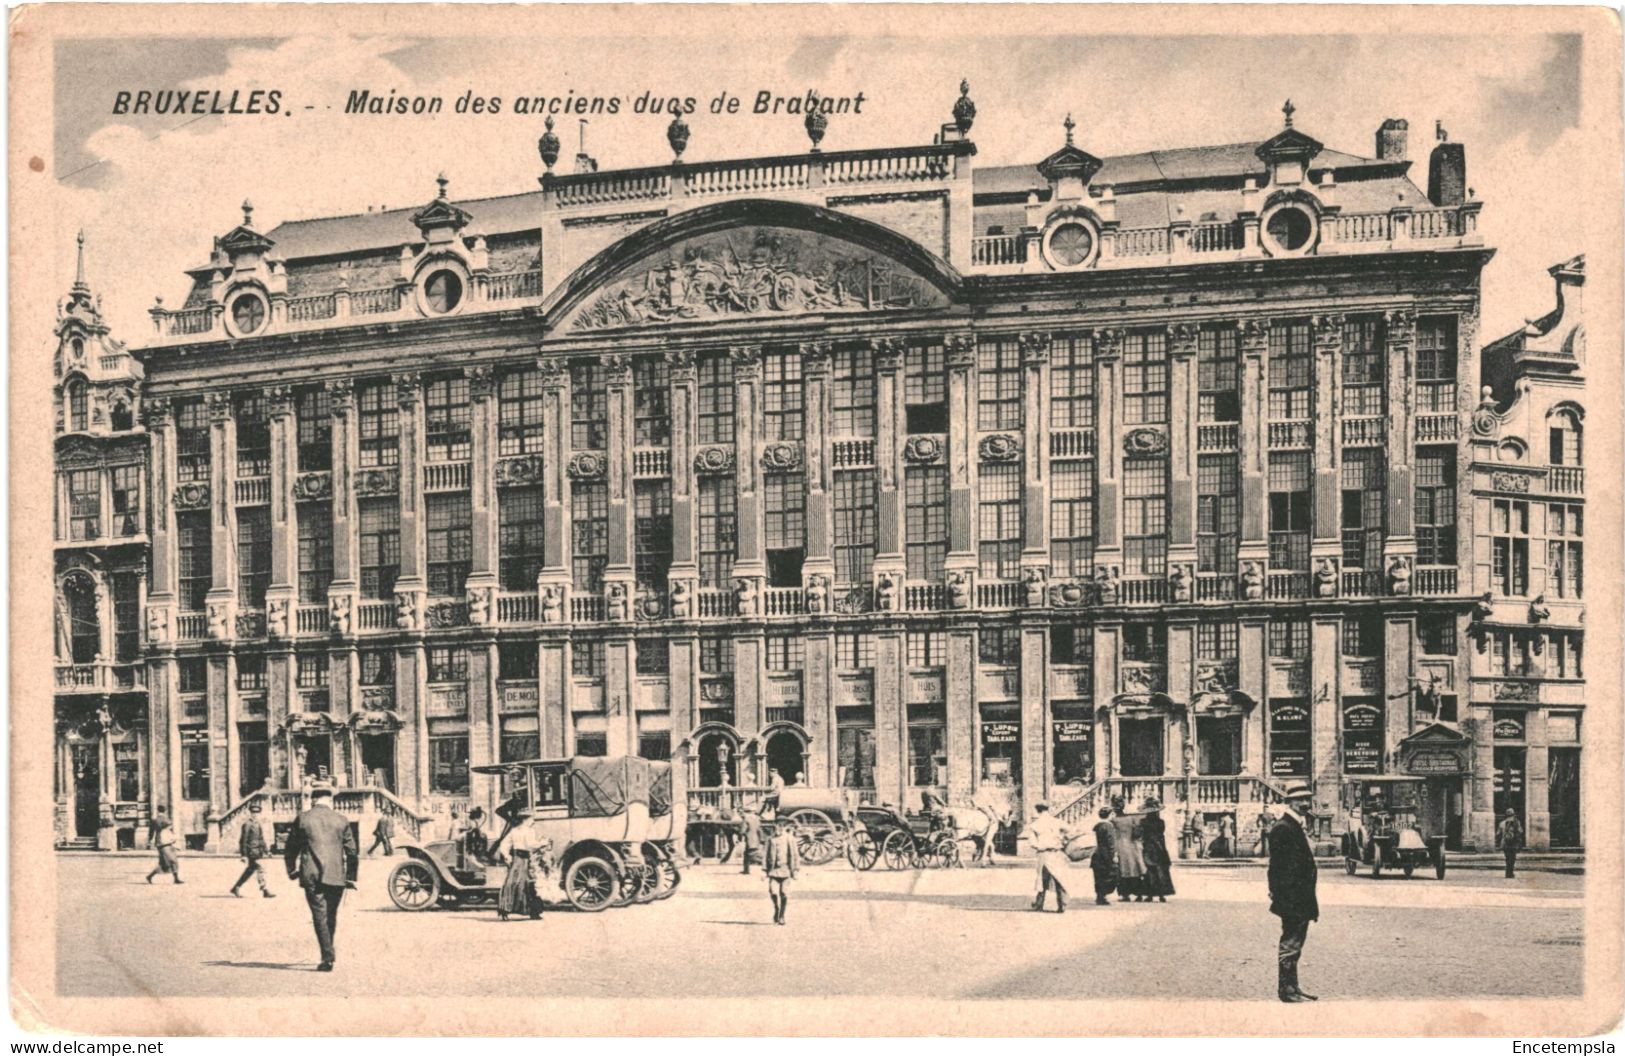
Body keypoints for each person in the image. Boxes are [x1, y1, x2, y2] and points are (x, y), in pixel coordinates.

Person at [283, 785, 359, 972]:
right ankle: (328, 953)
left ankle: (327, 957)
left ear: (312, 799)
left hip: (312, 874)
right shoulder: (341, 820)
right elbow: (352, 852)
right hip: (336, 875)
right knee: (331, 915)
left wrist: (292, 870)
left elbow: (291, 848)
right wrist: (350, 877)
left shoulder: (303, 818)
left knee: (319, 915)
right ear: (330, 800)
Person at [1267, 783, 1320, 1003]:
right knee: (1290, 944)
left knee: (1295, 943)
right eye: (1300, 800)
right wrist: (1282, 895)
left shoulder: (1294, 825)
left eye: (1307, 799)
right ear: (1289, 802)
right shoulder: (1284, 827)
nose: (1306, 804)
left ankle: (1293, 987)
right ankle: (1286, 990)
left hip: (1299, 896)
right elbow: (1278, 868)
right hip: (1293, 898)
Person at [498, 818, 550, 921]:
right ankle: (533, 912)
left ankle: (505, 910)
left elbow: (503, 845)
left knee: (512, 883)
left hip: (516, 859)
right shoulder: (529, 831)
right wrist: (543, 842)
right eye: (531, 819)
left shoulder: (513, 830)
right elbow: (530, 844)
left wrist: (507, 855)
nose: (533, 821)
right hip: (525, 860)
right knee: (530, 885)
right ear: (525, 820)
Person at [1024, 800, 1071, 913]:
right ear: (1048, 809)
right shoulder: (1057, 821)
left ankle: (1039, 904)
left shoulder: (1035, 825)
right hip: (1056, 853)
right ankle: (1062, 905)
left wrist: (1040, 846)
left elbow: (1032, 843)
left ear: (1037, 810)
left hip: (1044, 854)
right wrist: (1062, 840)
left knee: (1042, 880)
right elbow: (1070, 832)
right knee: (1060, 878)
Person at [230, 800, 275, 898]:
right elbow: (243, 840)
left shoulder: (258, 824)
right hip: (251, 852)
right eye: (253, 812)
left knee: (249, 871)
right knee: (261, 868)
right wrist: (244, 855)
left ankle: (236, 887)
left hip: (258, 851)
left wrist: (267, 851)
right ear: (250, 813)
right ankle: (265, 890)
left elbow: (261, 839)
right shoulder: (247, 824)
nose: (255, 814)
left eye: (257, 813)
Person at [763, 821, 799, 924]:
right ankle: (776, 909)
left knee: (784, 893)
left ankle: (782, 915)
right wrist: (764, 870)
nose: (778, 829)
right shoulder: (770, 839)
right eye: (777, 826)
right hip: (773, 871)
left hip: (786, 870)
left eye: (781, 827)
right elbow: (765, 855)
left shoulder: (790, 839)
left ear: (784, 827)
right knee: (773, 892)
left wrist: (795, 870)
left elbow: (795, 855)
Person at [1139, 799, 1175, 903]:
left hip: (1148, 846)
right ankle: (1161, 894)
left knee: (1149, 870)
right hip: (1159, 847)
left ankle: (1150, 894)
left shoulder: (1143, 822)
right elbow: (1161, 833)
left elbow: (1141, 834)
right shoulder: (1161, 822)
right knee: (1161, 870)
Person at [1110, 796, 1145, 902]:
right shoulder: (1131, 819)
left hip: (1120, 845)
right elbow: (1138, 832)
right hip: (1132, 845)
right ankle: (1139, 894)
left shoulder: (1114, 820)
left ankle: (1125, 894)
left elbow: (1112, 835)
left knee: (1123, 870)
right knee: (1135, 869)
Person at [145, 810, 183, 885]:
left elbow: (151, 832)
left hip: (163, 843)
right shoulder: (165, 820)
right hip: (164, 844)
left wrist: (149, 841)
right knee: (171, 861)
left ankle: (150, 876)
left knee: (167, 862)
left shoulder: (155, 820)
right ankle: (176, 879)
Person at [1090, 807, 1118, 905]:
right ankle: (1103, 895)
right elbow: (1111, 842)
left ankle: (1099, 896)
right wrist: (1114, 854)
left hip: (1097, 853)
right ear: (1109, 815)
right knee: (1108, 875)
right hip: (1106, 854)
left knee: (1098, 876)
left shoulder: (1097, 826)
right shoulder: (1109, 826)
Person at [1497, 808, 1525, 879]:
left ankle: (1507, 873)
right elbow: (1520, 831)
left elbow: (1498, 834)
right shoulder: (1517, 823)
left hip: (1505, 843)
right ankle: (1510, 873)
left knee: (1507, 858)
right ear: (1513, 814)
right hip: (1513, 843)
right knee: (1512, 859)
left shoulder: (1502, 823)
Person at [740, 806, 764, 875]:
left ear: (747, 812)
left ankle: (766, 863)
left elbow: (742, 831)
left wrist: (740, 831)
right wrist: (761, 839)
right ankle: (746, 870)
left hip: (749, 839)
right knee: (746, 854)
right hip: (756, 839)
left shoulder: (746, 820)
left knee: (752, 855)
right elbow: (760, 830)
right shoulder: (757, 819)